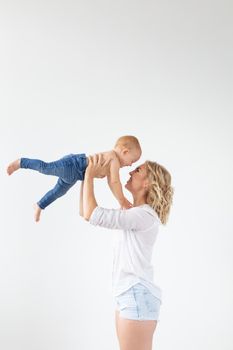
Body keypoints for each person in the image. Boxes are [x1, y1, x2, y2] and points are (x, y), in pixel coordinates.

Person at [80, 154, 174, 350]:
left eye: (138, 170)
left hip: (136, 294)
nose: (130, 171)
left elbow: (91, 213)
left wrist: (89, 174)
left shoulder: (144, 215)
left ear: (147, 183)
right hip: (129, 293)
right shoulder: (134, 212)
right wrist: (85, 176)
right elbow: (84, 212)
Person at [6, 135, 141, 222]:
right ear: (125, 152)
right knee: (46, 168)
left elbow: (111, 182)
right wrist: (122, 200)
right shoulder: (113, 158)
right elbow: (114, 181)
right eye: (132, 161)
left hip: (76, 174)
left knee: (59, 191)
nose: (130, 165)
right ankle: (21, 163)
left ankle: (39, 205)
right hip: (73, 165)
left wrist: (120, 200)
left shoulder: (114, 161)